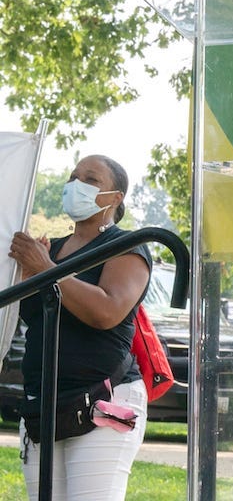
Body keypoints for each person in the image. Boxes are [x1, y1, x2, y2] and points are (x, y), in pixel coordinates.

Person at [8, 154, 154, 500]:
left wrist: (46, 269)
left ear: (115, 198)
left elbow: (107, 310)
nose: (76, 185)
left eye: (91, 180)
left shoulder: (126, 247)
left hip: (102, 402)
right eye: (73, 177)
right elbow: (34, 316)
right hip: (44, 404)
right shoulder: (51, 250)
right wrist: (32, 272)